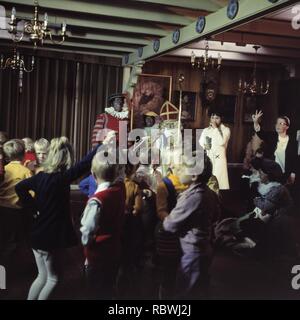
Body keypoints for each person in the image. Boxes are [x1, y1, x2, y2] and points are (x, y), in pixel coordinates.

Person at [15, 133, 114, 300]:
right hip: (48, 237)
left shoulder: (40, 177)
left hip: (36, 235)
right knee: (53, 279)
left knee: (41, 277)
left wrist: (33, 208)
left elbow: (20, 188)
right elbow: (85, 163)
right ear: (66, 158)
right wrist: (103, 144)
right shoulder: (61, 179)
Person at [163, 153, 220, 299]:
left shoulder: (192, 198)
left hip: (192, 253)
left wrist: (162, 213)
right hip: (205, 248)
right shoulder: (210, 193)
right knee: (200, 289)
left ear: (194, 176)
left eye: (182, 168)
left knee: (185, 292)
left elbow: (170, 225)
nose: (178, 170)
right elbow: (216, 216)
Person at [80, 156, 126, 299]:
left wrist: (87, 244)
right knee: (108, 287)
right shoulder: (120, 189)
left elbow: (87, 230)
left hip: (97, 255)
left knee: (94, 291)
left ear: (93, 175)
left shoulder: (97, 200)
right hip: (114, 250)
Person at [0, 139, 33, 263]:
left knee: (3, 236)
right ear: (24, 154)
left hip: (1, 207)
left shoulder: (4, 169)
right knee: (14, 239)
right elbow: (32, 192)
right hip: (16, 210)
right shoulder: (26, 172)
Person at [252, 110, 298, 185]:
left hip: (285, 174)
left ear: (287, 126)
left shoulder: (293, 141)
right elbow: (261, 133)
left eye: (281, 123)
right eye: (277, 123)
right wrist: (256, 122)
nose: (277, 125)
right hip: (271, 172)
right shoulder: (272, 136)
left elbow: (294, 158)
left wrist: (293, 173)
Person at [199, 109, 231, 190]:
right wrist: (205, 146)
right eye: (212, 118)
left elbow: (221, 142)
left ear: (221, 119)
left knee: (218, 183)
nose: (214, 120)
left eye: (217, 118)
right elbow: (201, 142)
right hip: (209, 158)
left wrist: (216, 129)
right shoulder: (206, 130)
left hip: (219, 159)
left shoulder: (226, 129)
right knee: (207, 183)